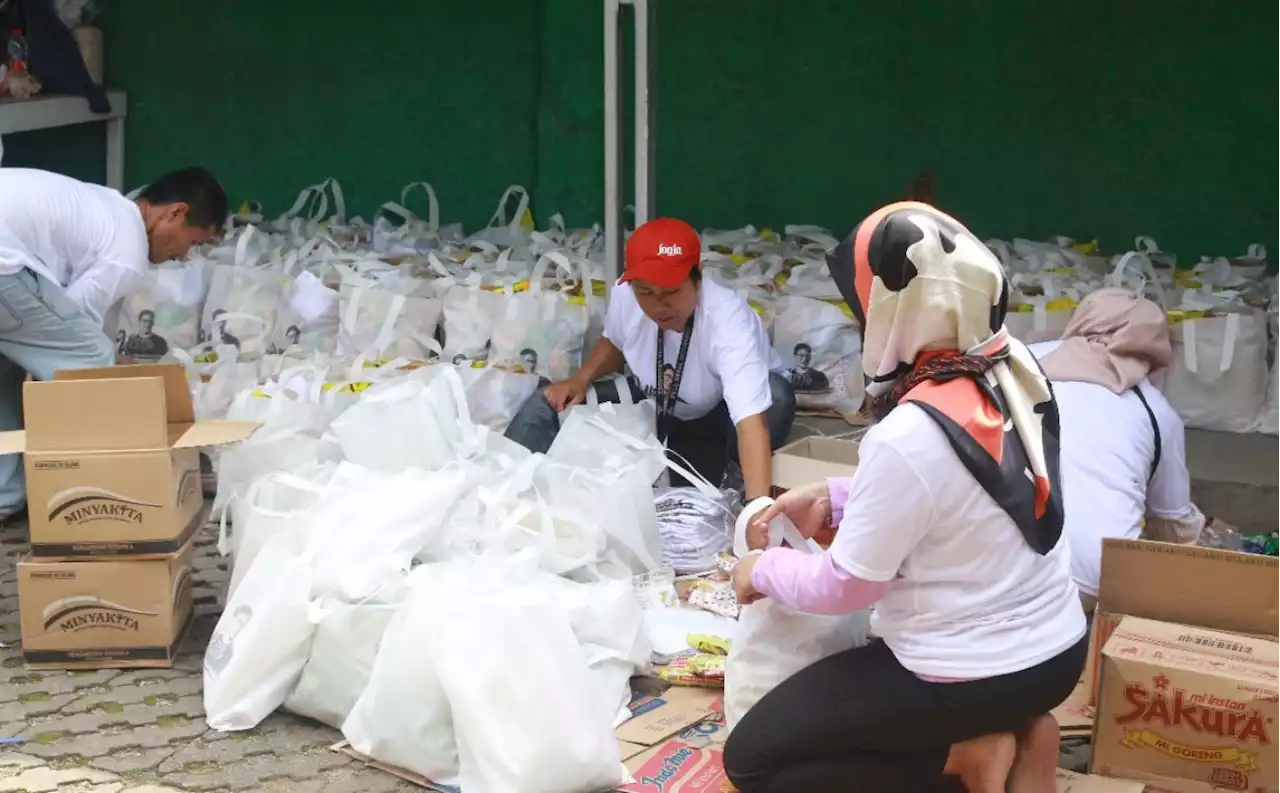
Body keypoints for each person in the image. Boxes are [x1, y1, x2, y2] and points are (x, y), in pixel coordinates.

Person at [724, 202, 1086, 793]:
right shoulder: (1011, 365)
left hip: (968, 672)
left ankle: (969, 757)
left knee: (754, 763)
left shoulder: (910, 431)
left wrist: (761, 570)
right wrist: (837, 497)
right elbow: (968, 495)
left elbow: (848, 588)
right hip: (1057, 655)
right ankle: (1023, 735)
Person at [504, 218, 796, 499]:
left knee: (777, 395)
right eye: (646, 292)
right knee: (550, 401)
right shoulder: (625, 294)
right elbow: (615, 341)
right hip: (656, 401)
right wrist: (581, 379)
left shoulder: (728, 319)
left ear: (699, 277)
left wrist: (756, 513)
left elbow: (750, 423)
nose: (660, 305)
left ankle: (737, 485)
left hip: (719, 415)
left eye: (672, 292)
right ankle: (501, 489)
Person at [0, 167, 227, 521]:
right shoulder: (128, 249)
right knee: (91, 360)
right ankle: (125, 489)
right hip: (4, 266)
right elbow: (77, 329)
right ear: (175, 213)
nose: (184, 255)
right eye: (193, 242)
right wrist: (130, 374)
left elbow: (54, 325)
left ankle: (4, 495)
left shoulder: (108, 207)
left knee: (7, 366)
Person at [1029, 288, 1204, 612]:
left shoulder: (1021, 362)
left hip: (994, 569)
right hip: (1095, 581)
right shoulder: (1156, 412)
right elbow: (1174, 526)